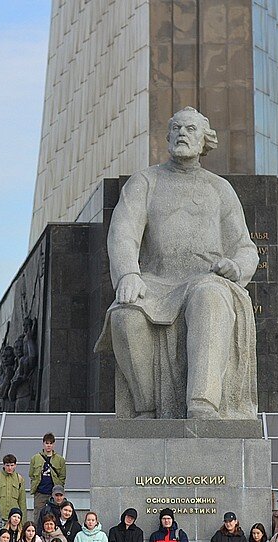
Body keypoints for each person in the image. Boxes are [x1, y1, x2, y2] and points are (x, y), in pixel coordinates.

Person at [95, 106, 259, 421]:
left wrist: (237, 268)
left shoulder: (219, 189)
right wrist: (128, 274)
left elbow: (244, 247)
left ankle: (202, 404)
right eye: (177, 128)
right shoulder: (145, 182)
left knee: (209, 297)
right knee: (124, 315)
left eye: (191, 129)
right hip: (156, 282)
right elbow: (123, 234)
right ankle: (147, 409)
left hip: (205, 280)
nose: (183, 133)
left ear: (204, 141)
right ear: (169, 136)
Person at [30, 433, 67, 512]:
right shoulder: (35, 458)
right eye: (47, 443)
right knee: (38, 515)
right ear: (43, 444)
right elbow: (32, 475)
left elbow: (62, 476)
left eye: (51, 443)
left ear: (54, 444)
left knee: (55, 515)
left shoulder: (60, 459)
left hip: (54, 493)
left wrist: (59, 489)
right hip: (40, 492)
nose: (49, 445)